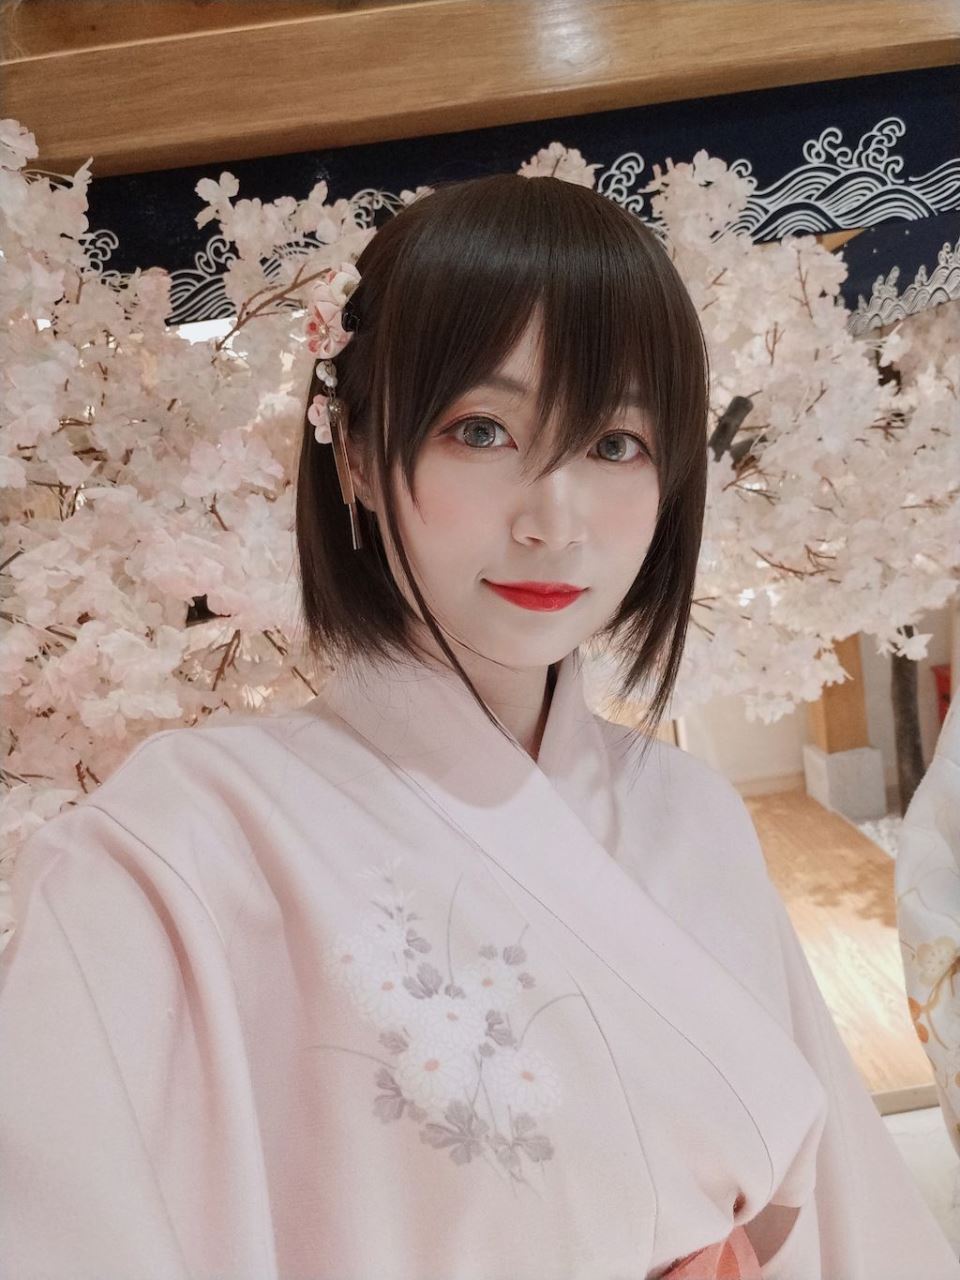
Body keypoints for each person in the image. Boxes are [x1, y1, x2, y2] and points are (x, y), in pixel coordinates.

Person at [1, 173, 956, 1279]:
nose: (554, 519)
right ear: (357, 452)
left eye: (615, 442)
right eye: (483, 429)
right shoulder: (174, 846)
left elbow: (844, 1222)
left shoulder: (690, 812)